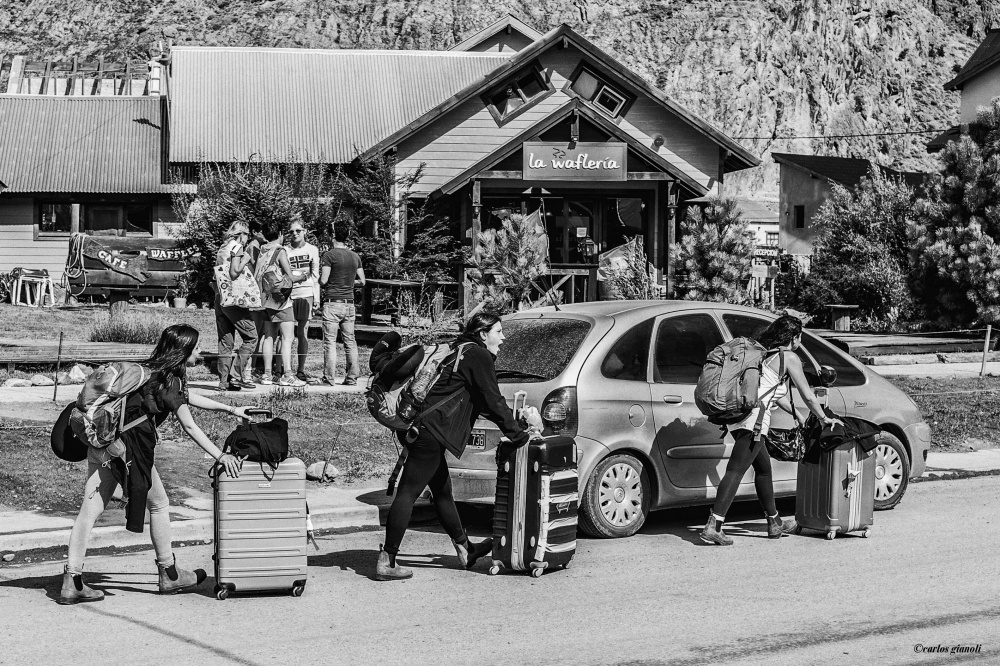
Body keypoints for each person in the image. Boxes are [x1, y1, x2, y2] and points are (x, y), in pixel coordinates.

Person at [59, 325, 247, 604]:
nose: (199, 353)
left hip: (102, 442)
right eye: (195, 348)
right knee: (158, 504)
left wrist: (231, 409)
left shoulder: (149, 372)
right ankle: (169, 574)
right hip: (130, 450)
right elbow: (190, 426)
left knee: (90, 511)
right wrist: (221, 456)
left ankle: (71, 580)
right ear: (182, 351)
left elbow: (186, 399)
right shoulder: (169, 381)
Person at [376, 311, 544, 581]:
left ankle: (465, 549)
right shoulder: (477, 355)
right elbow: (493, 400)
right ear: (482, 334)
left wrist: (515, 428)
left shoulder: (461, 350)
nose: (503, 337)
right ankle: (388, 559)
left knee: (442, 491)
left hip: (423, 429)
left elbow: (481, 402)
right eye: (498, 332)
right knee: (407, 493)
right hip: (428, 433)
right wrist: (520, 436)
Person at [701, 315, 844, 546]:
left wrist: (795, 413)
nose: (800, 341)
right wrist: (824, 417)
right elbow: (808, 394)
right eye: (800, 336)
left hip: (739, 419)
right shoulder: (789, 357)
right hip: (754, 422)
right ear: (794, 337)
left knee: (764, 469)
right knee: (736, 470)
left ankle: (774, 522)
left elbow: (770, 393)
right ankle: (714, 525)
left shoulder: (765, 354)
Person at [255, 224, 309, 387]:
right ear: (279, 234)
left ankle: (267, 374)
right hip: (281, 301)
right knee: (288, 337)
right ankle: (287, 374)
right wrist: (304, 277)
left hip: (265, 298)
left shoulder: (262, 250)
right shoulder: (280, 251)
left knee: (269, 336)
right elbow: (290, 276)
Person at [214, 221, 258, 391]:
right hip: (235, 299)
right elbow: (234, 272)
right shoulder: (237, 248)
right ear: (241, 234)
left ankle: (223, 382)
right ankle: (235, 374)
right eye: (247, 234)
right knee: (251, 337)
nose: (248, 238)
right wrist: (245, 259)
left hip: (220, 297)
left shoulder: (222, 248)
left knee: (225, 341)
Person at [319, 225, 364, 387]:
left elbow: (324, 281)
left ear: (332, 235)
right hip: (349, 304)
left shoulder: (329, 255)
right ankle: (352, 377)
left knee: (330, 341)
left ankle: (328, 378)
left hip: (332, 302)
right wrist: (348, 283)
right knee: (350, 341)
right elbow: (362, 281)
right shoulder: (354, 256)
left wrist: (323, 281)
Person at [284, 219, 320, 384]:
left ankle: (301, 369)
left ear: (305, 231)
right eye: (291, 231)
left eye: (298, 230)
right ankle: (285, 369)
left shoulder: (312, 250)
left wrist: (317, 297)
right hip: (289, 294)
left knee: (302, 333)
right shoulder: (284, 250)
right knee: (286, 335)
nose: (295, 234)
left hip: (306, 293)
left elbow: (315, 276)